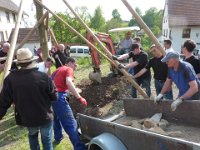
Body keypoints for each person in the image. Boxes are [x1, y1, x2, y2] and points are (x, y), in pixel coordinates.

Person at [0, 48, 57, 150]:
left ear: (19, 63)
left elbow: (3, 101)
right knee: (47, 140)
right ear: (32, 60)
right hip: (45, 115)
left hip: (28, 117)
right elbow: (54, 97)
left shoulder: (10, 79)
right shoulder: (43, 77)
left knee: (33, 137)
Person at [52, 57, 87, 150]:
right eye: (75, 64)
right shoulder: (68, 69)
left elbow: (52, 82)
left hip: (50, 97)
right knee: (71, 124)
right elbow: (68, 82)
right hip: (59, 98)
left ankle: (58, 137)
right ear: (69, 63)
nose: (75, 67)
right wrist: (79, 97)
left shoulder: (58, 69)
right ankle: (80, 148)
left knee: (55, 118)